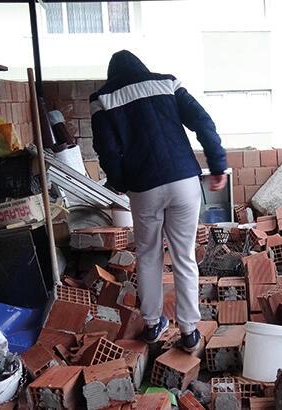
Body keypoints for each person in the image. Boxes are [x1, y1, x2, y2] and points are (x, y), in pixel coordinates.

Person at [90, 50, 227, 352]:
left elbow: (107, 151)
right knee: (184, 256)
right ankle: (190, 332)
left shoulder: (103, 99)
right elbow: (203, 122)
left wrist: (120, 182)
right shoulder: (167, 83)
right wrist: (217, 165)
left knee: (149, 255)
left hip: (144, 187)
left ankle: (152, 325)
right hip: (183, 181)